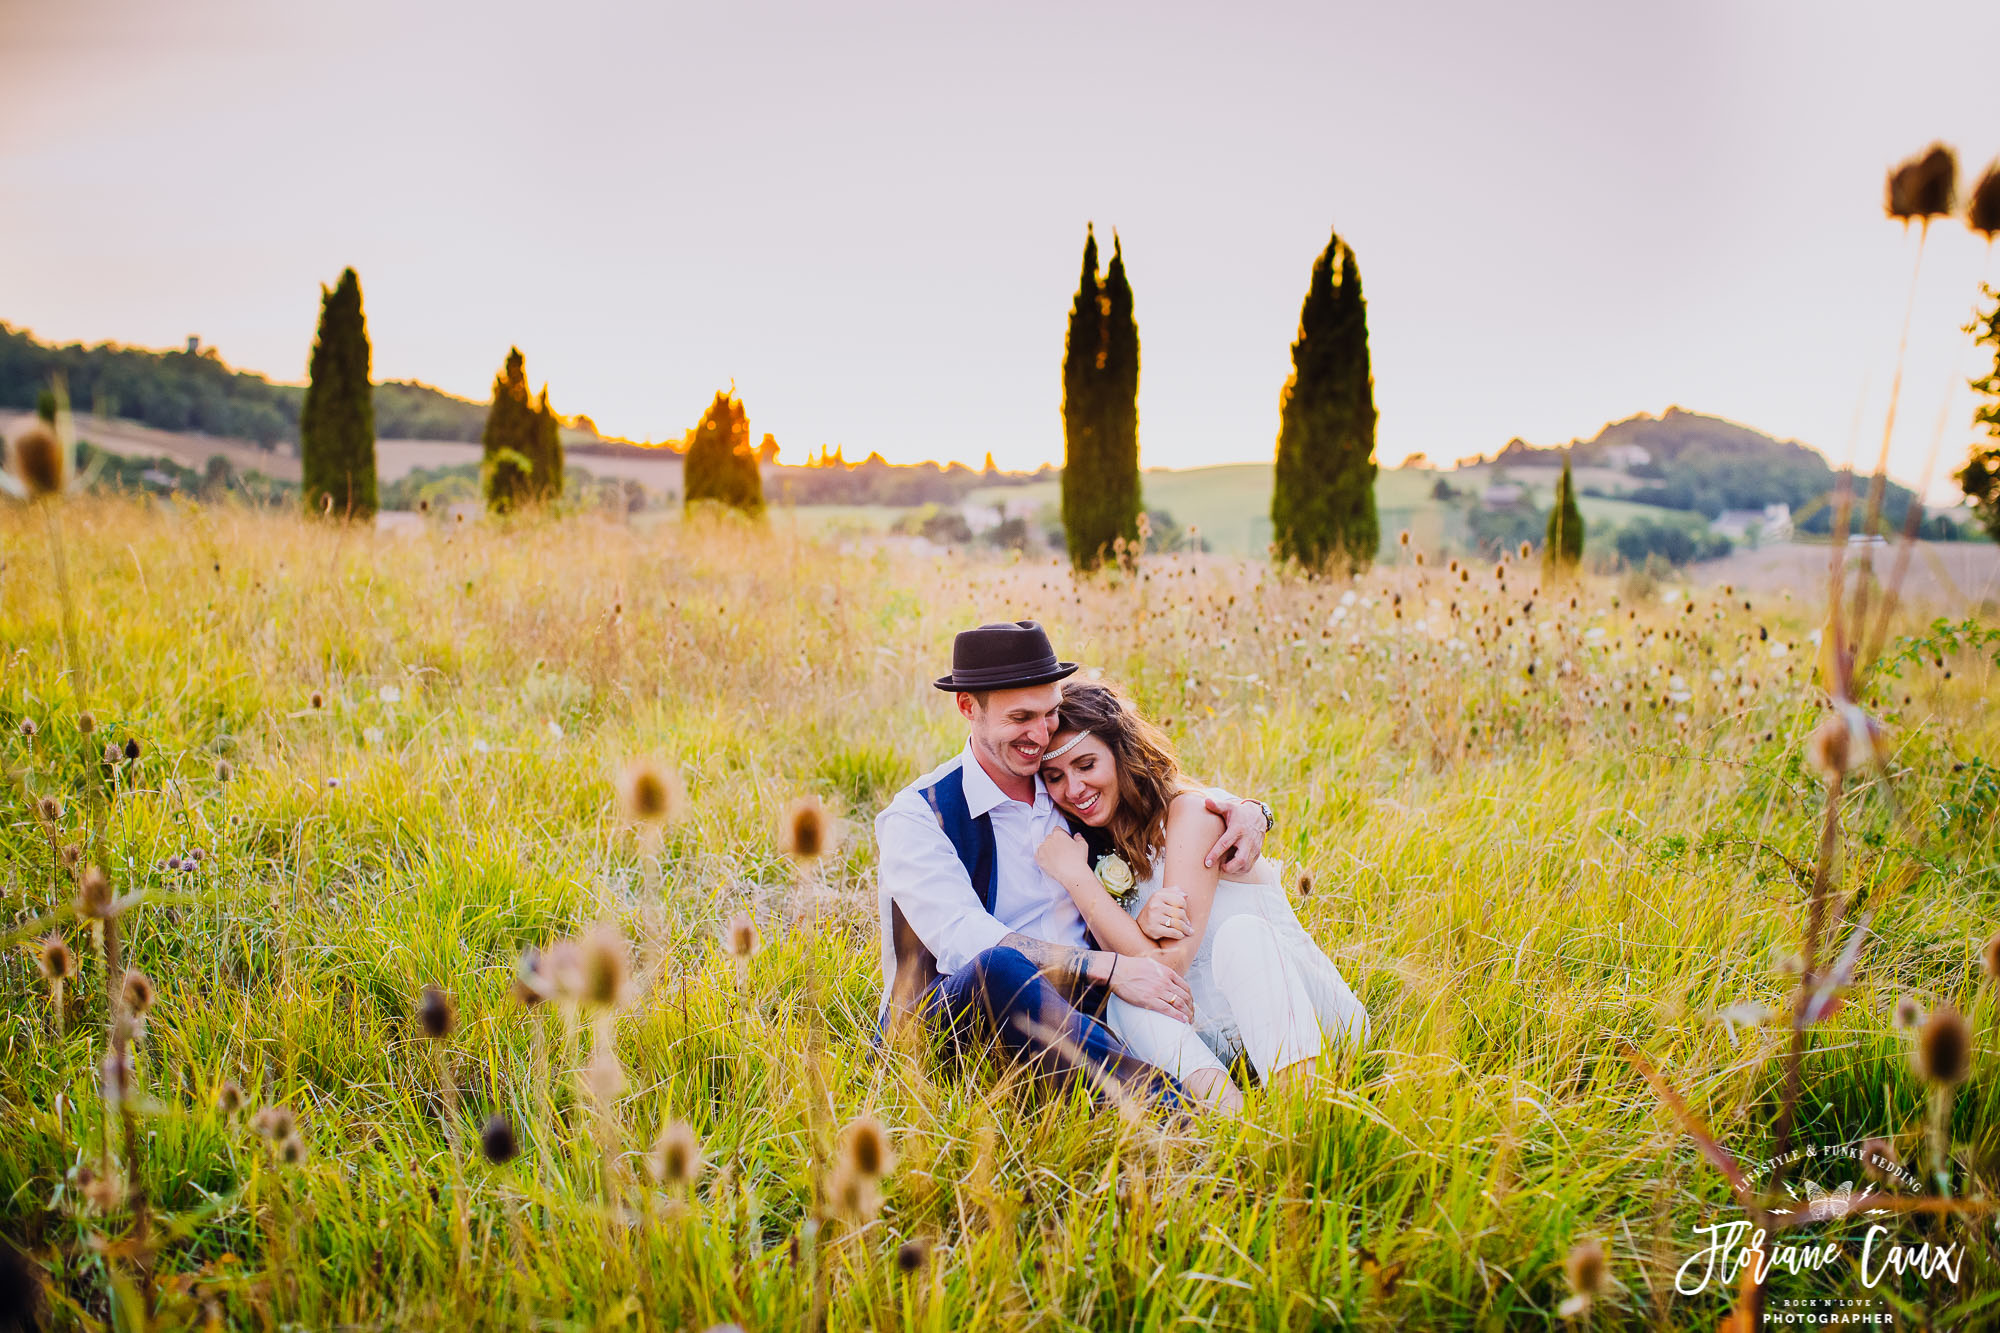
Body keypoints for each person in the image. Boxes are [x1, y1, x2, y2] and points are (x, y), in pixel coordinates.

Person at [874, 620, 1274, 1109]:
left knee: (1134, 1000)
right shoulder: (920, 814)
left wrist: (1251, 811)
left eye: (1050, 713)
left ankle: (1215, 1094)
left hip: (1085, 1010)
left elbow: (1161, 795)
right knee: (999, 968)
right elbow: (964, 942)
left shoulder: (1066, 786)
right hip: (956, 1022)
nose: (1041, 735)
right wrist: (1110, 967)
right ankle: (1173, 1117)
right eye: (1021, 717)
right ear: (967, 708)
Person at [1032, 680, 1369, 1113]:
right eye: (1055, 777)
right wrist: (1132, 921)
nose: (1073, 788)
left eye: (1086, 764)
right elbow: (1149, 974)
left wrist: (1076, 877)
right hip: (1224, 1040)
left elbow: (1167, 965)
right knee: (1127, 998)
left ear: (1120, 754)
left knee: (1241, 937)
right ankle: (1231, 1122)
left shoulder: (1193, 813)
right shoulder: (1102, 850)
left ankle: (1302, 1118)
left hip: (1311, 1022)